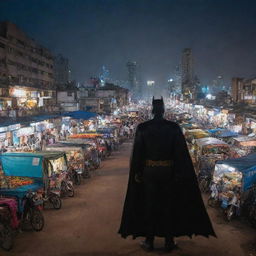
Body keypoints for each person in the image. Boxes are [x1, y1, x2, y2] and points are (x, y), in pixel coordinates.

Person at [118, 97, 216, 252]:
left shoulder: (143, 128)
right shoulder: (173, 128)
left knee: (149, 206)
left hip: (149, 172)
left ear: (152, 109)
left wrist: (137, 172)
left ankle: (149, 242)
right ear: (163, 110)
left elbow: (138, 153)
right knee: (168, 206)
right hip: (169, 172)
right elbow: (181, 154)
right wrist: (181, 174)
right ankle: (169, 242)